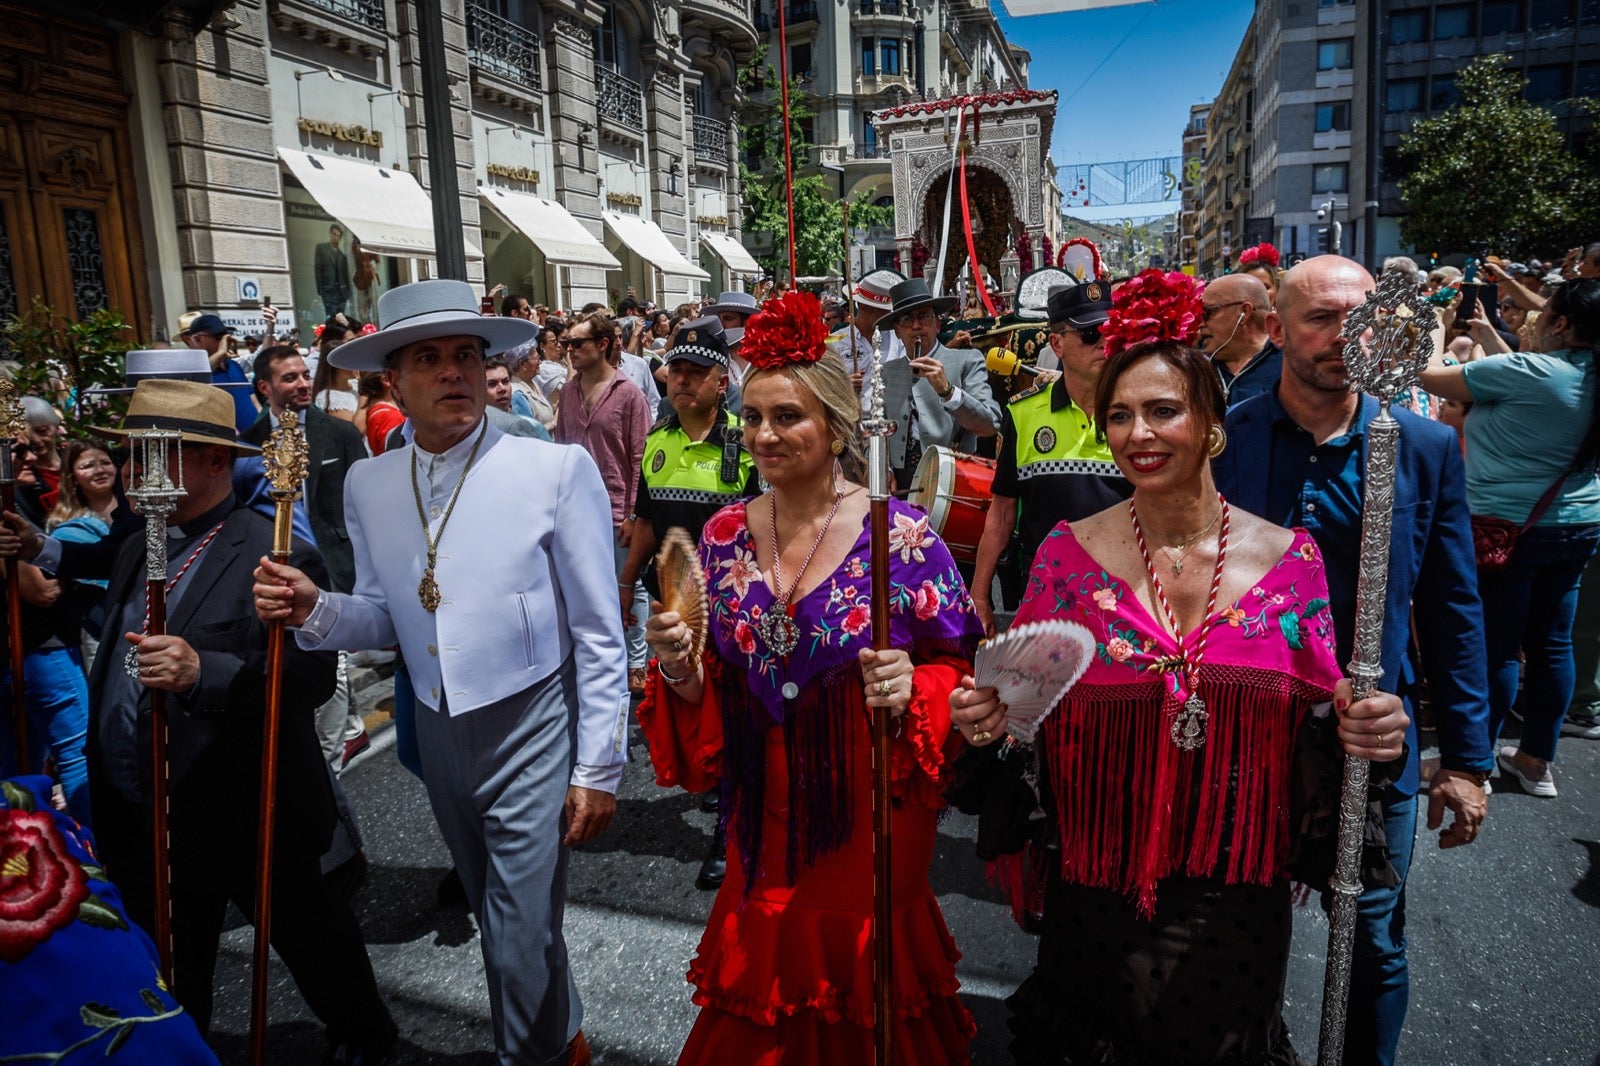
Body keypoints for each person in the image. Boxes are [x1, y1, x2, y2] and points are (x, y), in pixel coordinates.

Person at [951, 339, 1411, 1064]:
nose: (1139, 434)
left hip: (1233, 892)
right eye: (1121, 416)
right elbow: (1020, 716)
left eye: (1163, 412)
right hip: (1097, 875)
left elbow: (1326, 713)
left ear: (1212, 425)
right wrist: (987, 721)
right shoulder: (1065, 556)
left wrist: (1369, 725)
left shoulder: (1293, 560)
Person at [254, 279, 625, 1066]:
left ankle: (527, 1053)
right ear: (393, 381)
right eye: (430, 358)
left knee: (519, 929)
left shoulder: (554, 470)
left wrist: (599, 764)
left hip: (533, 722)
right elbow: (387, 616)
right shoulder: (368, 481)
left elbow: (599, 630)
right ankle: (564, 1039)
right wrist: (315, 608)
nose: (455, 372)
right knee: (502, 917)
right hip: (437, 728)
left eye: (467, 354)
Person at [639, 290, 985, 1063]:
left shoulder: (900, 535)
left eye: (787, 417)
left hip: (866, 811)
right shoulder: (726, 533)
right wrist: (678, 663)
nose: (764, 435)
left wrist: (912, 684)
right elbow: (711, 686)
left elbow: (959, 674)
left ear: (835, 427)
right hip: (763, 812)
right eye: (753, 416)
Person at [1218, 255, 1493, 1065]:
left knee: (1370, 936)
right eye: (1321, 319)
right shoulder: (1221, 434)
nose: (1345, 336)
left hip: (1372, 737)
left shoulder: (1423, 446)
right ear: (1276, 330)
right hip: (1245, 726)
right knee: (1236, 925)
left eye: (1359, 317)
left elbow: (1453, 605)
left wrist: (1468, 759)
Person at [86, 379, 395, 1057]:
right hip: (148, 808)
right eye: (134, 456)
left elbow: (310, 679)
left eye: (155, 457)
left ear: (215, 463)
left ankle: (366, 1038)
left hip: (250, 805)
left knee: (314, 940)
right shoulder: (141, 544)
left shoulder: (270, 550)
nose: (135, 473)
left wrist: (205, 673)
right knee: (172, 959)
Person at [1418, 276, 1600, 798]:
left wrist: (1434, 325)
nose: (1536, 320)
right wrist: (1490, 337)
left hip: (1508, 528)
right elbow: (1528, 379)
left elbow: (1432, 376)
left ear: (1562, 324)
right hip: (1578, 522)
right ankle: (1535, 761)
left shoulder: (1530, 371)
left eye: (1544, 316)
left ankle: (1472, 763)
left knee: (1497, 648)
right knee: (1551, 644)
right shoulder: (1581, 373)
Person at [618, 318, 756, 892]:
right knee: (693, 715)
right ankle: (727, 797)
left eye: (696, 373)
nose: (682, 382)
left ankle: (732, 824)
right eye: (675, 371)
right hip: (671, 603)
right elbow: (646, 522)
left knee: (736, 714)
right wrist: (625, 584)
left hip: (734, 605)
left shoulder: (747, 442)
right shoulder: (657, 441)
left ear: (722, 382)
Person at [971, 280, 1129, 637]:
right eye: (1090, 333)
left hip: (1125, 593)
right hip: (1046, 594)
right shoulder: (1025, 414)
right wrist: (980, 595)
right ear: (1056, 343)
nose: (1105, 341)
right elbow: (1001, 512)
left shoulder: (1140, 411)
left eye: (1111, 330)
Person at [554, 311, 653, 694]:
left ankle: (636, 661)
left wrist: (633, 513)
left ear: (603, 345)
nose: (570, 350)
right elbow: (561, 448)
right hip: (577, 508)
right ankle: (597, 655)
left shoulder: (629, 393)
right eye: (566, 344)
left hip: (616, 508)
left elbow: (641, 458)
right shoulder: (568, 391)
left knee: (628, 585)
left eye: (577, 344)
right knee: (585, 586)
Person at [877, 278, 1002, 487]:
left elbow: (990, 425)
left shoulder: (967, 360)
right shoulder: (886, 373)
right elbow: (873, 434)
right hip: (899, 484)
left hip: (952, 481)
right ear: (897, 331)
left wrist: (948, 392)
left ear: (937, 324)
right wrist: (884, 469)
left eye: (923, 317)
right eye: (907, 319)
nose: (916, 326)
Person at [1194, 272, 1281, 407]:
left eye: (1208, 313)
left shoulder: (1289, 364)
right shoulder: (1196, 366)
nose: (1201, 324)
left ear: (1244, 312)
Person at [180, 314, 258, 433]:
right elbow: (198, 378)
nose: (223, 341)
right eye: (218, 337)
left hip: (256, 440)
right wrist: (221, 353)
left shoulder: (233, 366)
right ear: (197, 339)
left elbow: (253, 401)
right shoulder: (189, 368)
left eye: (224, 336)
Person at [21, 397, 64, 512]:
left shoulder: (75, 459)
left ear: (56, 427)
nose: (36, 440)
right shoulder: (22, 475)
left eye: (42, 431)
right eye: (27, 435)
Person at [315, 224, 352, 317]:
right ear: (330, 234)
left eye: (338, 236)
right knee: (331, 317)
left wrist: (347, 293)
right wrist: (320, 288)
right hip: (328, 290)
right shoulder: (321, 248)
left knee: (341, 317)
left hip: (340, 292)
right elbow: (318, 269)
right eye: (334, 234)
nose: (336, 237)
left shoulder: (342, 256)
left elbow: (346, 275)